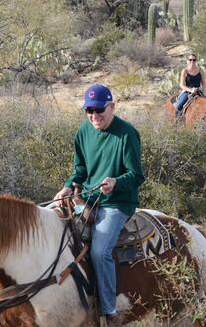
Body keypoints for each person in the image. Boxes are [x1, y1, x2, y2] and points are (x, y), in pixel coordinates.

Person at [53, 84, 145, 327]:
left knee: (99, 251)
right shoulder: (83, 131)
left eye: (99, 110)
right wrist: (66, 187)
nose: (94, 115)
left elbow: (136, 176)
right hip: (86, 200)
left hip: (117, 203)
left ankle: (108, 310)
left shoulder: (127, 134)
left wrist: (115, 182)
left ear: (112, 107)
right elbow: (80, 170)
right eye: (89, 110)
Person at [174, 53, 206, 119]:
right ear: (187, 61)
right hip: (187, 91)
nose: (192, 61)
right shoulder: (185, 71)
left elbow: (203, 82)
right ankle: (177, 122)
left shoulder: (200, 70)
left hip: (198, 91)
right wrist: (191, 90)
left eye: (194, 60)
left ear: (196, 61)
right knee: (179, 106)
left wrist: (204, 91)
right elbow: (181, 85)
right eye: (190, 60)